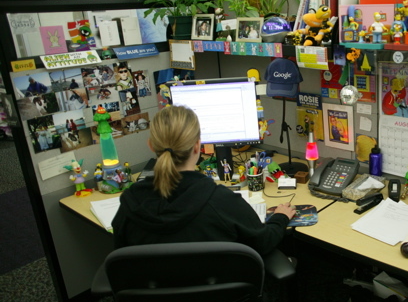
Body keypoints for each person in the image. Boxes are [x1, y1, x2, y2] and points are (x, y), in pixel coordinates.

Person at [112, 105, 296, 255]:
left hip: (151, 299)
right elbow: (263, 242)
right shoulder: (221, 200)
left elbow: (123, 257)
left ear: (151, 146)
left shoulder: (131, 200)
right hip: (221, 300)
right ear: (198, 146)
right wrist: (279, 218)